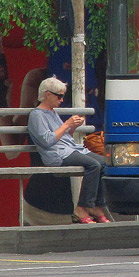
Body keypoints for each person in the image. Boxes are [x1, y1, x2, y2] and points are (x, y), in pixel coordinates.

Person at [26, 76, 110, 224]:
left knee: (105, 163)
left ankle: (97, 205)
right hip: (57, 155)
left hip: (70, 149)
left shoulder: (52, 112)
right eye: (59, 96)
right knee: (93, 165)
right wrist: (66, 124)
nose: (61, 100)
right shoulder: (36, 115)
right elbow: (47, 141)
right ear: (48, 94)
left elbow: (63, 137)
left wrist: (72, 127)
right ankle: (82, 208)